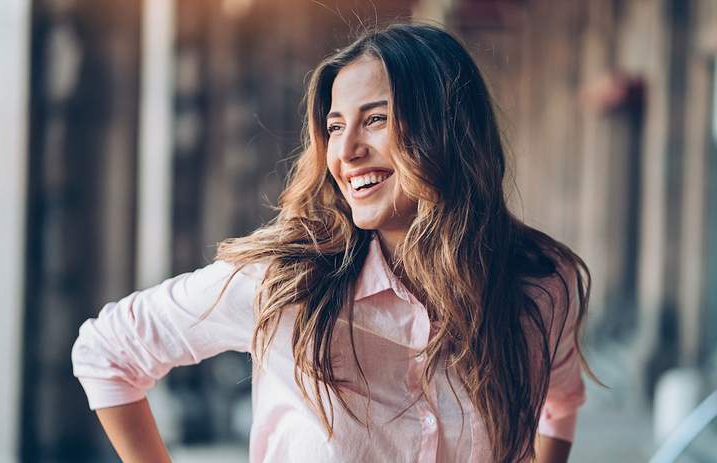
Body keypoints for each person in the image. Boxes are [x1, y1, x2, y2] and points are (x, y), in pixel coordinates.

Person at [72, 22, 597, 463]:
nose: (346, 151)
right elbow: (107, 351)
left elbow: (560, 401)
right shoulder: (286, 282)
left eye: (376, 120)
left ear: (448, 130)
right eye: (335, 126)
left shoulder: (542, 281)